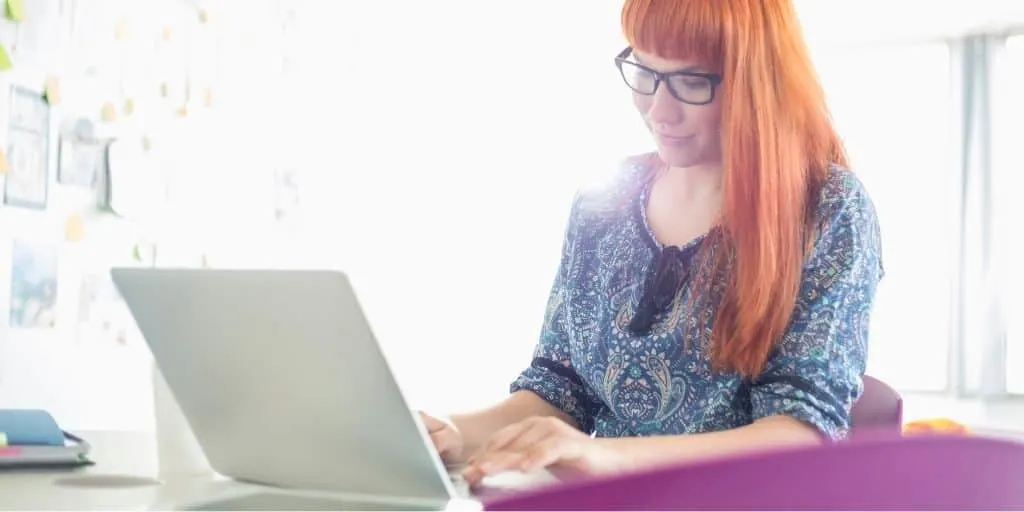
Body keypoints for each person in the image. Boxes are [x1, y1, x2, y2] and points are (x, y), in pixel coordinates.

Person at [422, 0, 884, 487]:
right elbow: (559, 390)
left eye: (691, 82)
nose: (658, 110)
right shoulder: (602, 204)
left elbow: (803, 432)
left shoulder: (828, 208)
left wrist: (611, 458)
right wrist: (452, 431)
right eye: (644, 71)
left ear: (757, 83)